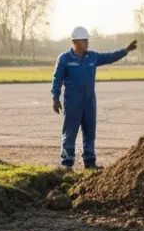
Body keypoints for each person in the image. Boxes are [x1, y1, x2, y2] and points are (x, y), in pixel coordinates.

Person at [50, 27, 138, 170]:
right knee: (70, 132)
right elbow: (57, 79)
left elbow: (109, 57)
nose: (87, 43)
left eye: (87, 40)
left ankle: (89, 162)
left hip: (89, 101)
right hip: (72, 102)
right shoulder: (64, 59)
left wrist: (125, 50)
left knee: (90, 132)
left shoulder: (92, 57)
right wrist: (55, 97)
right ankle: (67, 163)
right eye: (84, 40)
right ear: (75, 42)